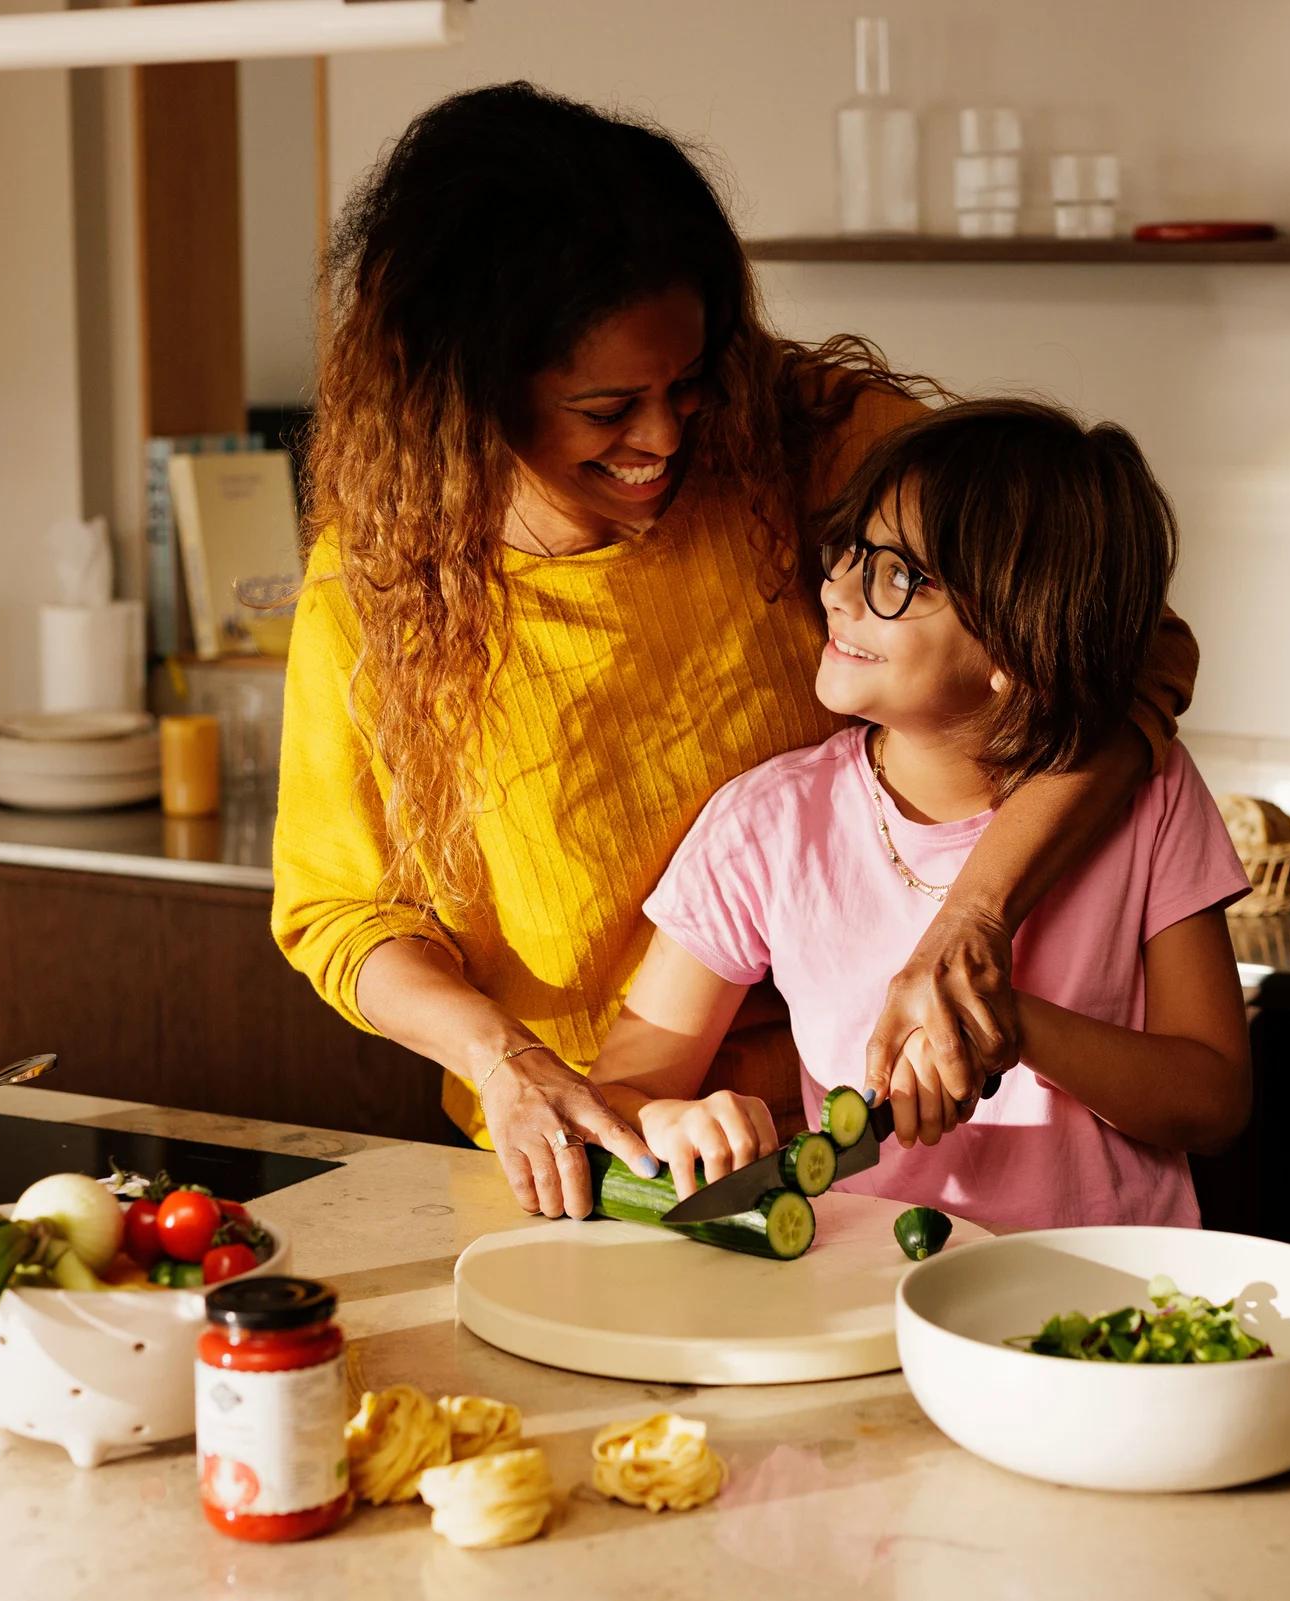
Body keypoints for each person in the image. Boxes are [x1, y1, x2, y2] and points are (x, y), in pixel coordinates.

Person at [270, 84, 1201, 1219]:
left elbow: (1118, 650)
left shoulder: (801, 435)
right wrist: (506, 1063)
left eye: (689, 381)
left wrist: (977, 918)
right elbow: (341, 911)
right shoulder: (381, 583)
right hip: (605, 1157)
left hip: (869, 1169)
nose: (664, 439)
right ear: (464, 395)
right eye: (609, 408)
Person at [589, 401, 1252, 1230]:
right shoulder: (769, 823)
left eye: (897, 577)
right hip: (866, 1302)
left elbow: (1213, 1099)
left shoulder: (1149, 795)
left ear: (1017, 644)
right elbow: (625, 1090)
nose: (836, 592)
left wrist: (1013, 1024)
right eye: (850, 553)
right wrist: (674, 1121)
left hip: (1105, 1302)